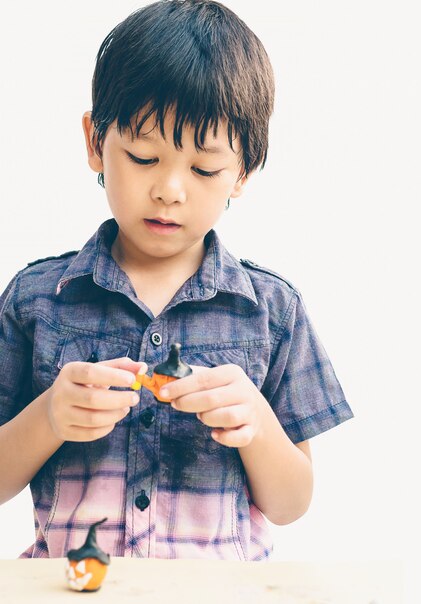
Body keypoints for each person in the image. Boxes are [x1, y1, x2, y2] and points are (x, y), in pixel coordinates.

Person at [0, 0, 353, 560]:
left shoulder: (272, 309)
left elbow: (292, 503)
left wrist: (257, 424)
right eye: (143, 157)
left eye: (204, 169)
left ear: (243, 172)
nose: (169, 189)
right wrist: (47, 417)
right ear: (95, 142)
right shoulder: (36, 299)